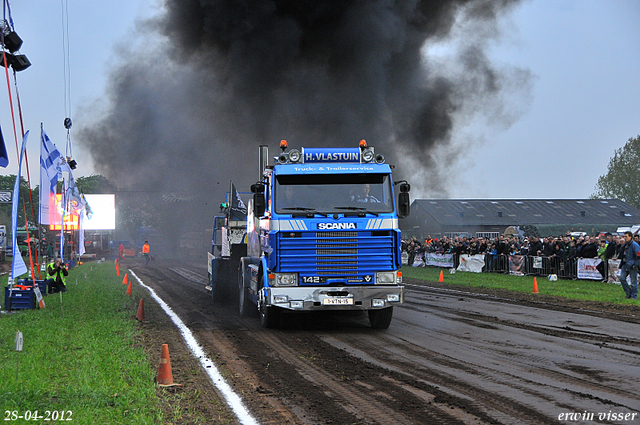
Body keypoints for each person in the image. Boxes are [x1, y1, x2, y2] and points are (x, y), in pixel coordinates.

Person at [619, 231, 640, 299]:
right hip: (625, 265)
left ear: (630, 237)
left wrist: (635, 264)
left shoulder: (635, 245)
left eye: (626, 237)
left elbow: (638, 256)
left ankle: (634, 296)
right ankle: (628, 293)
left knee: (633, 281)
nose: (625, 238)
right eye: (624, 237)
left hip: (632, 265)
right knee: (622, 278)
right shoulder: (625, 245)